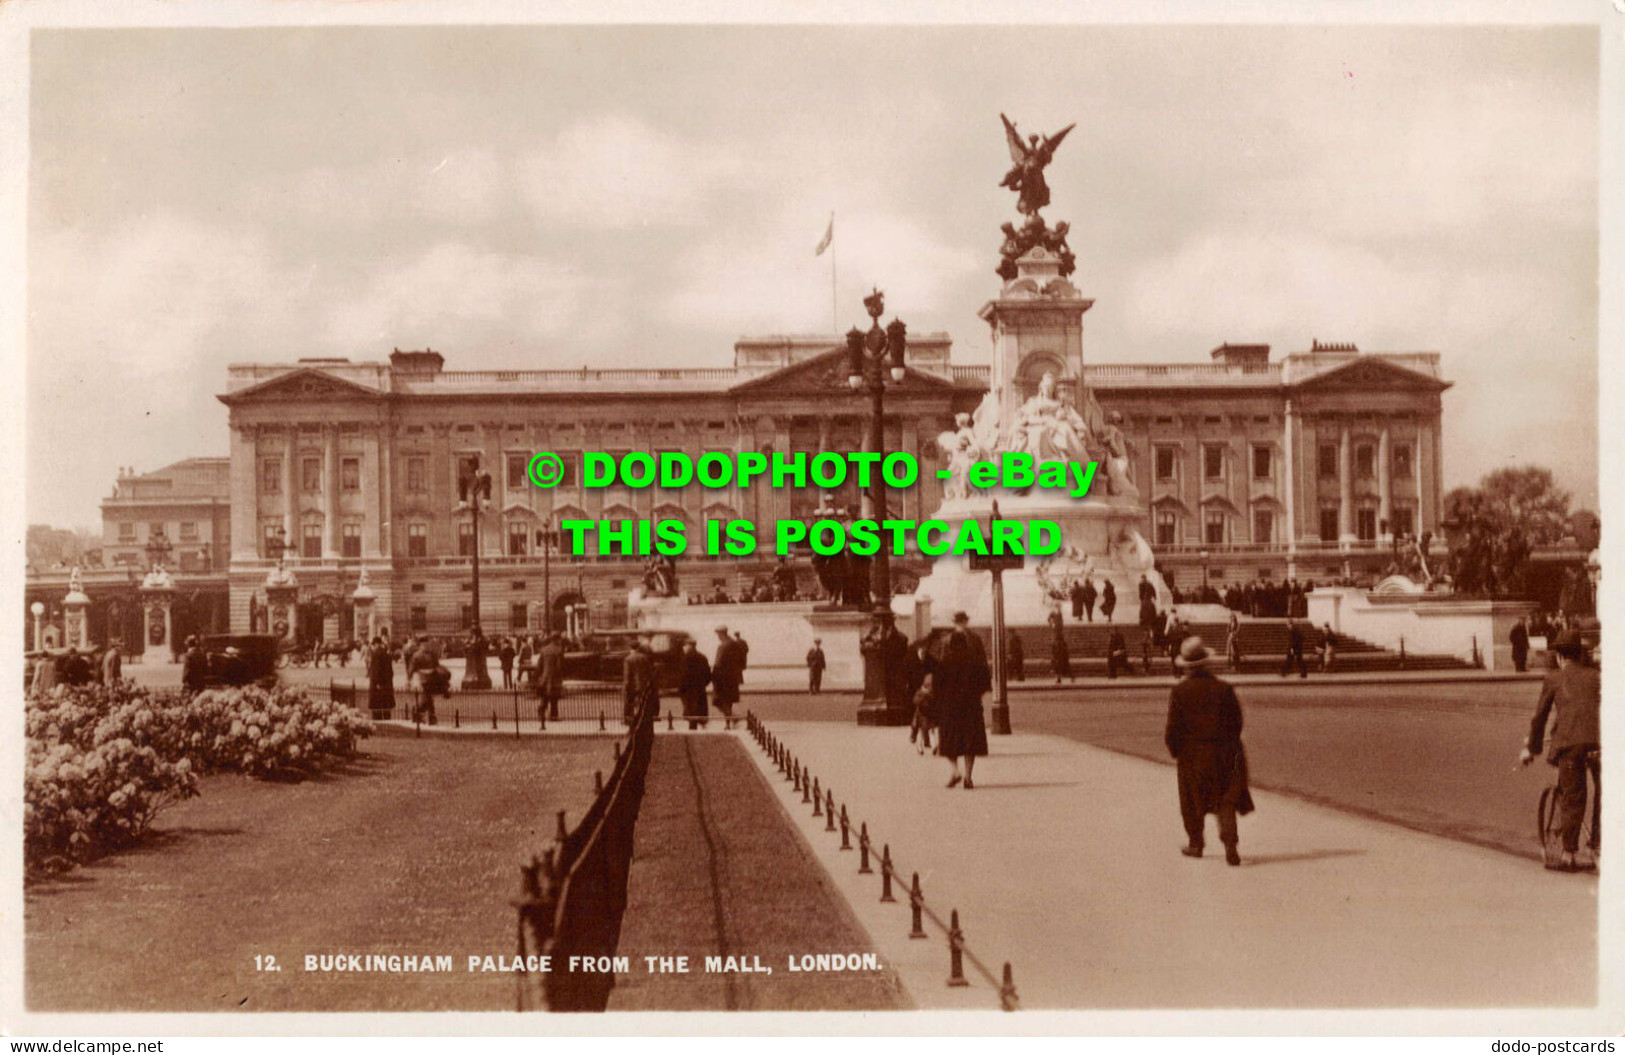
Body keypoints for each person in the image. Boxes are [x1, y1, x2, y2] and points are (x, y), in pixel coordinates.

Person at [1165, 636, 1254, 866]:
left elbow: (1173, 728)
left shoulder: (1180, 691)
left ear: (1187, 666)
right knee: (1226, 800)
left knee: (1192, 802)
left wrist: (1177, 751)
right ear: (1206, 663)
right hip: (1225, 751)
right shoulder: (1224, 688)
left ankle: (1196, 844)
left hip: (1193, 753)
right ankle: (1231, 845)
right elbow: (1237, 722)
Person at [1520, 630, 1600, 871]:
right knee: (1605, 794)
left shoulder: (1554, 679)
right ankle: (1597, 845)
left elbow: (1540, 717)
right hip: (1599, 743)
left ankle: (1568, 855)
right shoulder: (1597, 676)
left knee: (1573, 796)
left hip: (1570, 745)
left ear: (1559, 657)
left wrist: (1532, 749)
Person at [930, 612, 991, 789]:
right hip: (970, 703)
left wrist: (939, 697)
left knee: (949, 740)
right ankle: (968, 777)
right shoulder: (974, 649)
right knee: (970, 741)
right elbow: (983, 673)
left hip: (950, 704)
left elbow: (937, 679)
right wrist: (978, 694)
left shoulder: (945, 652)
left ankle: (955, 771)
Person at [711, 626, 746, 719]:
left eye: (718, 634)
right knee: (728, 701)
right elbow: (742, 661)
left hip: (722, 679)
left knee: (718, 701)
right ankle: (730, 720)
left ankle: (731, 719)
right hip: (733, 678)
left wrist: (713, 676)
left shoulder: (723, 646)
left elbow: (718, 663)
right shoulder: (735, 644)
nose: (718, 637)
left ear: (722, 634)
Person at [677, 638, 711, 729]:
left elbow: (683, 675)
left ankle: (693, 727)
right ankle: (702, 724)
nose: (684, 648)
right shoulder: (702, 657)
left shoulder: (685, 658)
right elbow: (708, 674)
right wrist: (703, 684)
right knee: (699, 708)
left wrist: (681, 688)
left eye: (685, 646)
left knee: (690, 709)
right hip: (700, 688)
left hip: (689, 689)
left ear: (689, 646)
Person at [623, 636, 656, 723]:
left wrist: (626, 685)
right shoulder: (644, 658)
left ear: (631, 648)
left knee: (628, 702)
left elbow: (627, 675)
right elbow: (649, 672)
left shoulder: (628, 659)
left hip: (632, 685)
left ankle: (628, 719)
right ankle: (642, 718)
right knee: (642, 703)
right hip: (643, 684)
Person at [537, 632, 565, 721]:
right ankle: (553, 716)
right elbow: (559, 666)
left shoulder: (544, 650)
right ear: (557, 639)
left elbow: (539, 666)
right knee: (554, 699)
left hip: (544, 678)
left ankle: (541, 714)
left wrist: (541, 676)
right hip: (555, 678)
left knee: (544, 698)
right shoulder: (559, 650)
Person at [367, 635, 396, 719]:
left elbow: (376, 671)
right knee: (386, 711)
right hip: (387, 686)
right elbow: (390, 672)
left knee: (377, 711)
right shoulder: (386, 653)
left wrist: (377, 683)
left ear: (376, 644)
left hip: (378, 688)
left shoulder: (376, 654)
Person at [1047, 606, 1072, 684]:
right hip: (1059, 656)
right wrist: (1051, 624)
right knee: (1063, 666)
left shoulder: (1058, 614)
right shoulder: (1055, 614)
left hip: (1059, 656)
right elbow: (1049, 619)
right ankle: (1064, 677)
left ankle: (1062, 678)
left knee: (1061, 666)